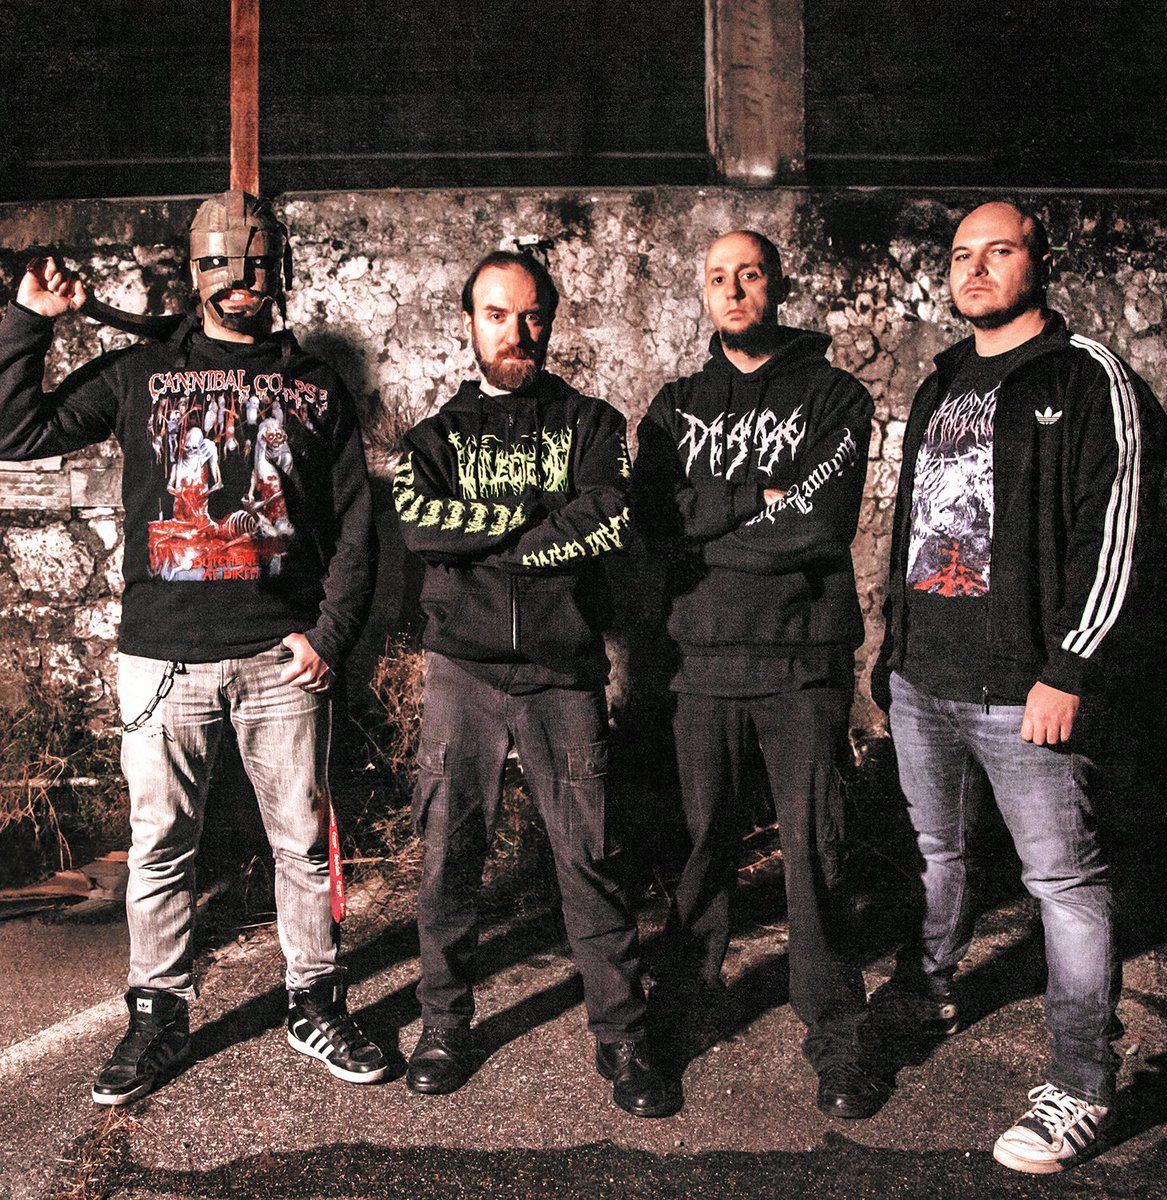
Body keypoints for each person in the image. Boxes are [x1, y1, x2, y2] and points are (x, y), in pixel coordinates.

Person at [0, 190, 384, 1104]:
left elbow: (355, 526)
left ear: (277, 269)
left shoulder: (315, 384)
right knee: (160, 846)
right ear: (196, 269)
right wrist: (28, 321)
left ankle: (315, 1002)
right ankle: (158, 1016)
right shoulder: (140, 371)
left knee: (302, 844)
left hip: (281, 662)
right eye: (221, 262)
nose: (239, 280)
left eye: (254, 263)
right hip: (163, 660)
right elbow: (14, 430)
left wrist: (331, 637)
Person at [872, 200, 1167, 1173]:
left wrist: (1070, 667)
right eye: (962, 254)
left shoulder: (1088, 378)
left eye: (998, 251)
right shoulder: (942, 380)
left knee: (1064, 885)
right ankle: (929, 992)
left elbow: (1115, 534)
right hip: (925, 679)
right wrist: (894, 651)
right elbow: (915, 525)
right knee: (937, 850)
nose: (976, 268)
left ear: (1041, 262)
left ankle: (1082, 1087)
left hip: (1025, 689)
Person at [394, 249, 680, 1118]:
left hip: (564, 675)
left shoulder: (593, 423)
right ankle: (445, 1026)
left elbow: (606, 518)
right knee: (449, 857)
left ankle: (622, 1035)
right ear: (468, 322)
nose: (515, 333)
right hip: (464, 674)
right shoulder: (433, 438)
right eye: (495, 314)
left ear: (550, 321)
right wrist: (529, 516)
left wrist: (490, 544)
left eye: (530, 316)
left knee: (589, 858)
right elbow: (421, 526)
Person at [634, 231, 884, 1118]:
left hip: (801, 663)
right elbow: (654, 520)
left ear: (777, 285)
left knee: (814, 855)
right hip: (699, 666)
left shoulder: (836, 396)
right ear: (703, 293)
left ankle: (838, 1036)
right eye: (718, 277)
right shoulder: (675, 406)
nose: (734, 289)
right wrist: (753, 501)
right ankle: (684, 1009)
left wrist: (710, 534)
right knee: (699, 852)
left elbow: (821, 525)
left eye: (749, 274)